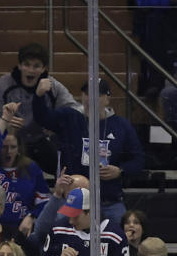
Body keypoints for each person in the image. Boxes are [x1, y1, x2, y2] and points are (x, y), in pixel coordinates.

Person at [32, 78, 144, 225]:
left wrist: (120, 171)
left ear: (107, 99)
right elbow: (43, 118)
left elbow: (138, 160)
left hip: (109, 201)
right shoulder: (69, 117)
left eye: (96, 94)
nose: (90, 98)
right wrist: (39, 96)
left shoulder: (121, 126)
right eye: (86, 93)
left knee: (121, 238)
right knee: (58, 235)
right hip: (73, 202)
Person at [0, 42, 80, 172]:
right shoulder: (4, 84)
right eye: (27, 65)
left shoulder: (53, 86)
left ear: (44, 69)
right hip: (11, 142)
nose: (30, 70)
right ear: (19, 65)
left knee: (66, 165)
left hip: (40, 141)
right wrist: (4, 121)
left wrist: (55, 123)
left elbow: (74, 111)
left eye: (36, 66)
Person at [0, 104, 50, 236]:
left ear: (19, 148)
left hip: (20, 230)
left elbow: (44, 200)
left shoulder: (31, 168)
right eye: (4, 147)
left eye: (13, 147)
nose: (8, 152)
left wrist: (32, 217)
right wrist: (5, 119)